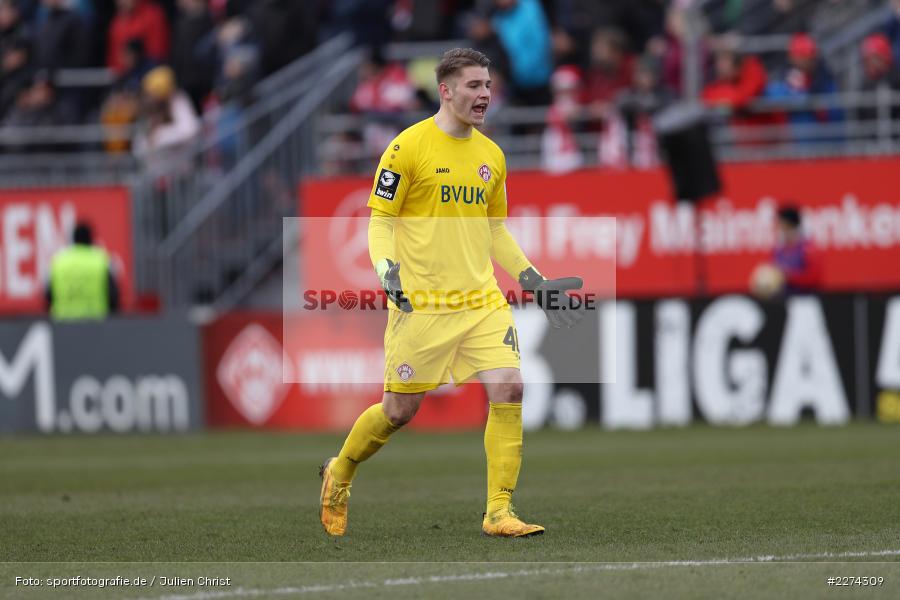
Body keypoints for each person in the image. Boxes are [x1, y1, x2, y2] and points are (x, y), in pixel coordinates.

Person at [318, 48, 583, 538]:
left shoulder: (492, 156)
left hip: (481, 300)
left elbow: (495, 231)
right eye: (474, 86)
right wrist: (386, 270)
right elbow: (380, 221)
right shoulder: (407, 147)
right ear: (446, 90)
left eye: (487, 85)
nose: (484, 94)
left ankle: (499, 511)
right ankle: (342, 471)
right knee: (399, 411)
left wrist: (534, 282)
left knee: (510, 387)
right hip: (422, 304)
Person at [46, 222, 120, 320]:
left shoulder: (59, 261)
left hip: (63, 323)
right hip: (95, 324)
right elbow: (113, 296)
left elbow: (48, 295)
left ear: (73, 239)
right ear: (91, 239)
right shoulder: (102, 260)